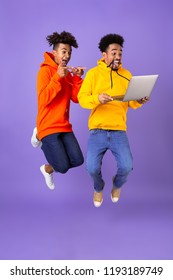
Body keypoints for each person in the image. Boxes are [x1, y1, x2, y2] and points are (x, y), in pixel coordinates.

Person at [78, 33, 149, 207]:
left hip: (118, 131)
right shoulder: (93, 74)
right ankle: (98, 187)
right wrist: (97, 99)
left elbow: (131, 102)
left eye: (120, 53)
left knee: (126, 167)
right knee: (92, 168)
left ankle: (117, 186)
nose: (118, 56)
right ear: (104, 55)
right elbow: (82, 98)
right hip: (97, 131)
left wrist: (139, 100)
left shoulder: (127, 75)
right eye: (114, 53)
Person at [32, 31, 85, 190]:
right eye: (64, 51)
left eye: (69, 52)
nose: (67, 55)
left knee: (78, 160)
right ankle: (39, 134)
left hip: (63, 125)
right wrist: (57, 78)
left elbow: (76, 98)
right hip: (48, 126)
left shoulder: (67, 73)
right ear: (54, 53)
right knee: (62, 167)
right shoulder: (45, 71)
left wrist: (76, 78)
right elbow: (43, 99)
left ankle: (47, 168)